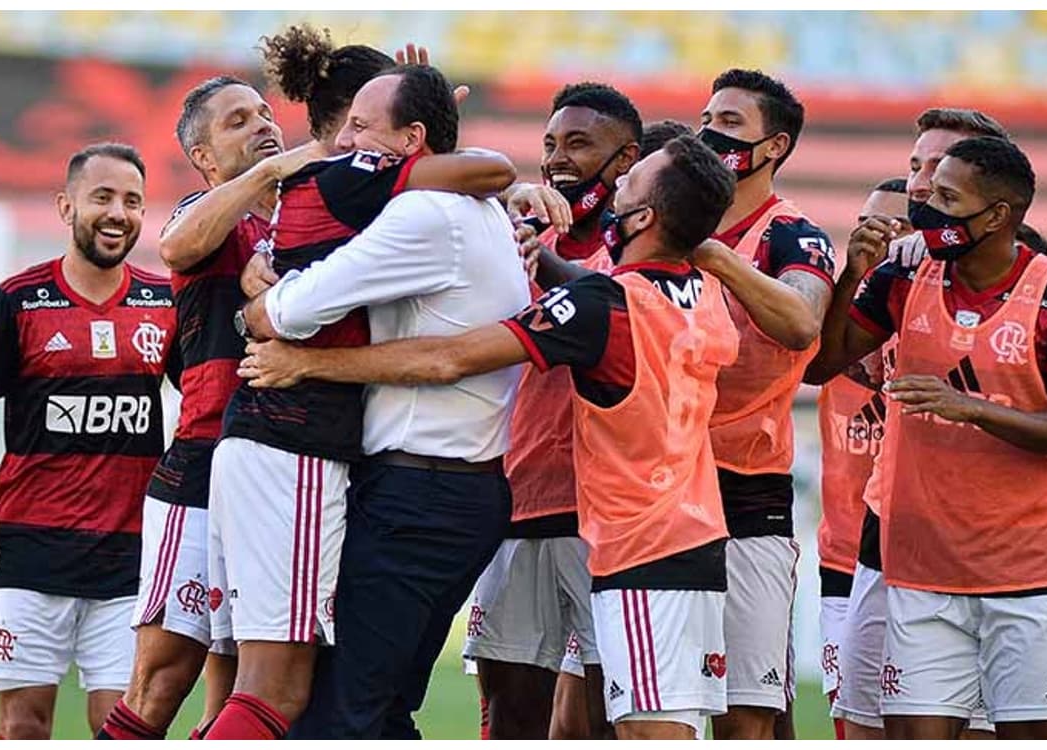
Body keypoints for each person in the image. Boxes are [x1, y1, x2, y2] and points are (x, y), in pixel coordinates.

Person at [239, 134, 741, 740]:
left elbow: (449, 358)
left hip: (642, 546)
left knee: (648, 735)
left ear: (641, 217)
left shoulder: (603, 306)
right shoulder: (708, 297)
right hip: (700, 533)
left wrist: (309, 364)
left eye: (631, 184)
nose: (618, 186)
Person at [194, 58, 516, 739]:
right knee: (364, 707)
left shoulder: (424, 214)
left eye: (362, 127)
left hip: (408, 493)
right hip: (438, 489)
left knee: (320, 709)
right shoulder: (466, 207)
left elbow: (288, 313)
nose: (344, 142)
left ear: (411, 139)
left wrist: (269, 306)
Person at [809, 135, 1047, 740]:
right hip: (919, 573)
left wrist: (970, 409)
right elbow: (818, 367)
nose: (925, 207)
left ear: (997, 216)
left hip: (1025, 578)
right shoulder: (902, 281)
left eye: (946, 197)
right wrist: (854, 274)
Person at [94, 78, 318, 741]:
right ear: (205, 157)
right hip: (203, 461)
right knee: (162, 679)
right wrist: (275, 169)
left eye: (267, 114)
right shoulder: (208, 211)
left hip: (281, 467)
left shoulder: (308, 218)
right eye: (238, 121)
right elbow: (176, 245)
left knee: (236, 689)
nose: (263, 126)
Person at [0, 143, 178, 739]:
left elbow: (204, 397)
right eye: (102, 197)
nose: (117, 213)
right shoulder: (19, 301)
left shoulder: (162, 302)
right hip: (32, 552)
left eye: (132, 201)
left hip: (131, 557)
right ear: (66, 206)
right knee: (24, 724)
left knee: (121, 728)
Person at [455, 81, 643, 742]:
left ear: (626, 162)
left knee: (607, 718)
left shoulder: (636, 252)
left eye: (579, 143)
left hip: (610, 519)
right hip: (516, 501)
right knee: (509, 715)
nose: (558, 158)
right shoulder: (512, 243)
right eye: (550, 144)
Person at [688, 68, 837, 740]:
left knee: (749, 711)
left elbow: (803, 323)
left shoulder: (794, 236)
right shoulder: (665, 221)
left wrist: (718, 259)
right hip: (651, 485)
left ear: (773, 147)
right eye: (708, 117)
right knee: (612, 698)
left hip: (746, 488)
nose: (709, 131)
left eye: (729, 123)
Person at [812, 178, 910, 738]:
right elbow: (809, 365)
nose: (874, 233)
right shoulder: (830, 304)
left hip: (926, 561)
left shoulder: (932, 313)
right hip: (844, 559)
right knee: (853, 726)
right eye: (866, 220)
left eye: (891, 225)